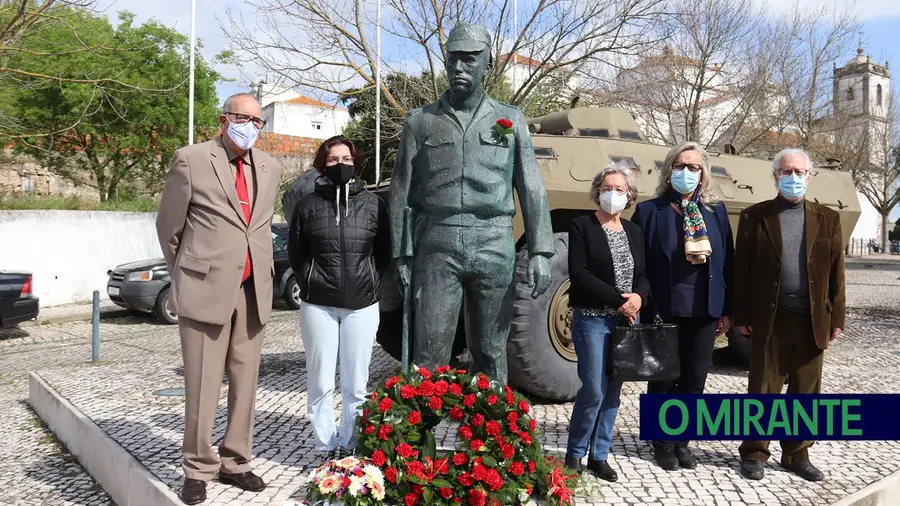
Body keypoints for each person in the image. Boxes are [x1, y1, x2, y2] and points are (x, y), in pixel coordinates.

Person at [388, 22, 554, 384]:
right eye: (452, 60)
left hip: (494, 239)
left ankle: (488, 438)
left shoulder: (509, 121)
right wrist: (402, 254)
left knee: (492, 351)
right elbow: (402, 191)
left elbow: (531, 185)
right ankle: (415, 437)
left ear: (487, 64)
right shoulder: (420, 122)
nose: (459, 68)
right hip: (437, 242)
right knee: (429, 351)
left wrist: (541, 251)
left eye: (469, 59)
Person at [156, 93, 282, 505]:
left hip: (252, 290)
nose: (249, 125)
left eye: (257, 120)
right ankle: (197, 467)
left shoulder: (270, 166)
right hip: (204, 289)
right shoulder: (191, 159)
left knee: (245, 385)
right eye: (241, 117)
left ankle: (236, 461)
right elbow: (169, 228)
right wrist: (186, 276)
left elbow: (256, 228)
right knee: (203, 384)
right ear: (224, 119)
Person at [734, 148, 845, 482]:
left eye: (799, 172)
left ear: (809, 177)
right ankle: (755, 452)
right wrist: (742, 315)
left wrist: (836, 317)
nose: (793, 178)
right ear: (775, 176)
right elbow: (742, 270)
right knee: (763, 389)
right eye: (786, 172)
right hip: (770, 318)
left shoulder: (828, 218)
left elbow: (837, 271)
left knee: (806, 391)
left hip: (812, 319)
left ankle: (797, 454)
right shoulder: (755, 217)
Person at [630, 141, 734, 471]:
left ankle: (682, 441)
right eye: (680, 166)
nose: (686, 172)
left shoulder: (716, 213)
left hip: (705, 308)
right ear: (668, 170)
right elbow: (638, 264)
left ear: (703, 174)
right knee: (661, 378)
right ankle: (661, 443)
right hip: (663, 307)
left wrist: (728, 309)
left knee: (694, 380)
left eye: (693, 167)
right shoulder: (649, 212)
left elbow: (727, 262)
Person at [288, 135, 390, 460]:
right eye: (333, 159)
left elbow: (385, 252)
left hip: (362, 304)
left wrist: (372, 281)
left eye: (346, 159)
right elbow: (295, 253)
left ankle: (350, 442)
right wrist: (309, 279)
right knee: (320, 381)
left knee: (356, 383)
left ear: (355, 162)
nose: (340, 165)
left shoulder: (373, 204)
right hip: (318, 305)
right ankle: (325, 445)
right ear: (323, 164)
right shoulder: (307, 206)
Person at [564, 162, 651, 482]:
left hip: (625, 323)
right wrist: (621, 300)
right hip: (592, 320)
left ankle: (599, 455)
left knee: (613, 391)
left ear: (629, 196)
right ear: (597, 191)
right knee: (594, 389)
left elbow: (643, 274)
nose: (612, 194)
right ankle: (574, 453)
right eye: (607, 188)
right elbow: (580, 274)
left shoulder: (634, 231)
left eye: (620, 189)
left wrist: (639, 297)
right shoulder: (582, 225)